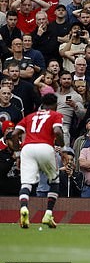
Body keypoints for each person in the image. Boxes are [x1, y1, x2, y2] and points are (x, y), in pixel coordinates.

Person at [13, 93, 64, 228]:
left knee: (26, 183)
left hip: (27, 148)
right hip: (45, 146)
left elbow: (14, 134)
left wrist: (18, 152)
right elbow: (58, 131)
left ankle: (24, 208)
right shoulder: (55, 115)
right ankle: (48, 214)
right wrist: (62, 143)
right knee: (54, 180)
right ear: (55, 105)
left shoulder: (30, 116)